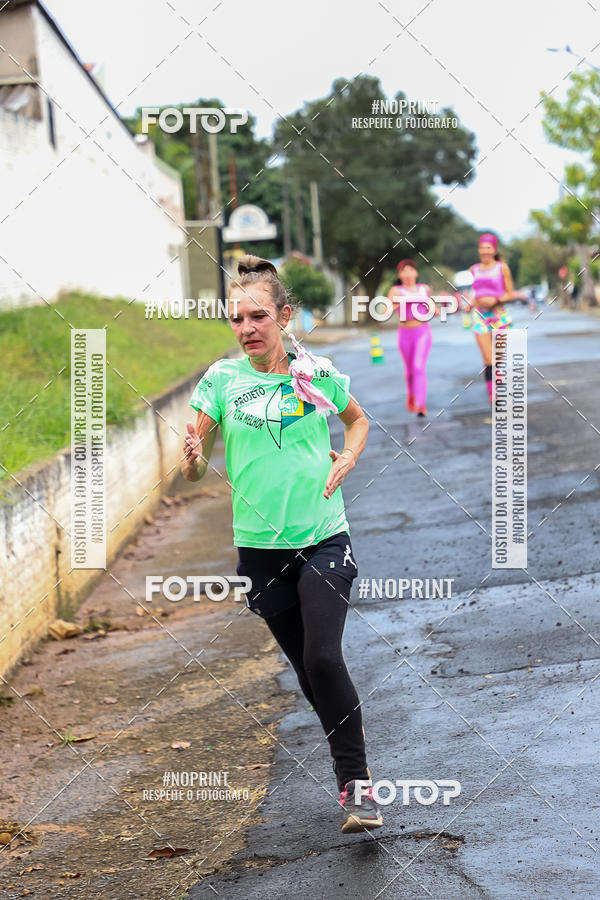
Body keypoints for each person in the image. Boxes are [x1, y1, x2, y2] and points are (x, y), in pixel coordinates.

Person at [182, 254, 383, 834]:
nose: (246, 329)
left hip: (323, 537)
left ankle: (357, 786)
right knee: (307, 671)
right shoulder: (220, 381)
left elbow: (358, 420)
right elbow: (193, 468)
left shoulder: (314, 372)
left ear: (284, 316)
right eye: (236, 319)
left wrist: (348, 455)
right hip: (259, 553)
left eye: (257, 317)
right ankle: (349, 734)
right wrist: (193, 458)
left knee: (324, 657)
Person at [467, 233, 515, 402]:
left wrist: (496, 300)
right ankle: (492, 393)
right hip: (479, 316)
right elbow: (473, 293)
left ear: (494, 250)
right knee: (488, 357)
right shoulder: (473, 269)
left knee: (498, 358)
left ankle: (498, 386)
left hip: (499, 316)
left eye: (488, 248)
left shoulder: (502, 267)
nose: (485, 251)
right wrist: (469, 304)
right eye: (482, 247)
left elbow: (511, 294)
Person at [387, 259, 437, 417]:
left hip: (422, 332)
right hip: (404, 333)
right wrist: (397, 304)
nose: (408, 273)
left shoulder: (424, 289)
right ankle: (412, 395)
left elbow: (434, 309)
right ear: (400, 274)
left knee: (418, 367)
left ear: (416, 273)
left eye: (410, 270)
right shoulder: (396, 291)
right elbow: (385, 312)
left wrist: (433, 309)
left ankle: (421, 404)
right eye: (404, 271)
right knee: (409, 371)